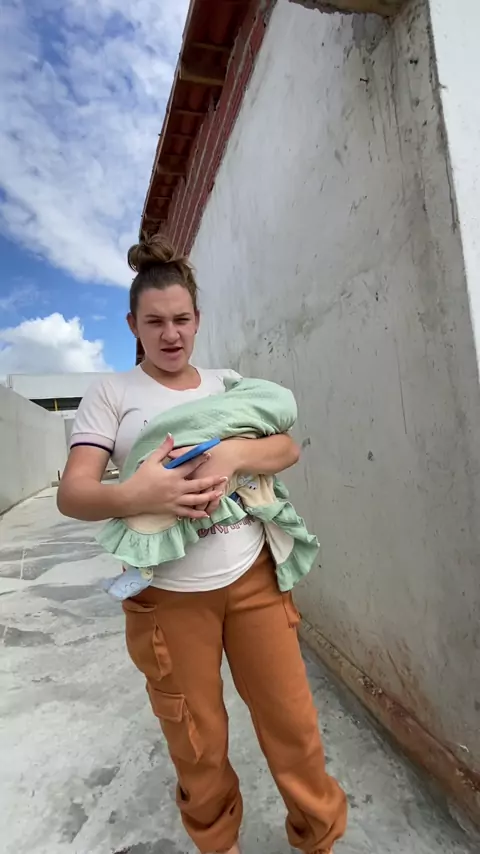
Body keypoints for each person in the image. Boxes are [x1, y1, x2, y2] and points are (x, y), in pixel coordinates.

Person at [57, 235, 347, 854]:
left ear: (198, 320)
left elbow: (285, 448)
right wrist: (139, 494)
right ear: (132, 325)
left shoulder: (227, 384)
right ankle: (219, 844)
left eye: (181, 319)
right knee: (197, 740)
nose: (170, 334)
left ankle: (319, 838)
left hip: (252, 579)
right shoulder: (112, 394)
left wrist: (233, 454)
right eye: (155, 322)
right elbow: (74, 494)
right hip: (168, 598)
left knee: (292, 723)